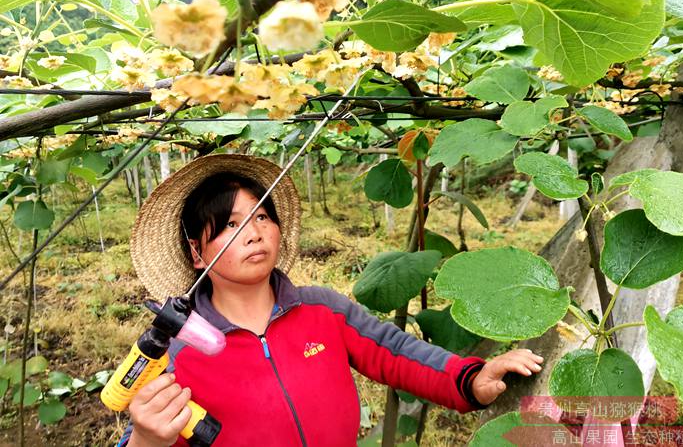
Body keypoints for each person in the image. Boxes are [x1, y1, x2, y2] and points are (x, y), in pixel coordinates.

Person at [118, 154, 544, 447]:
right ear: (197, 252)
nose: (254, 232)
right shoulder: (175, 350)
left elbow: (395, 352)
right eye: (230, 224)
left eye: (262, 216)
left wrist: (469, 379)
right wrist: (146, 439)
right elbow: (149, 428)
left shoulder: (323, 310)